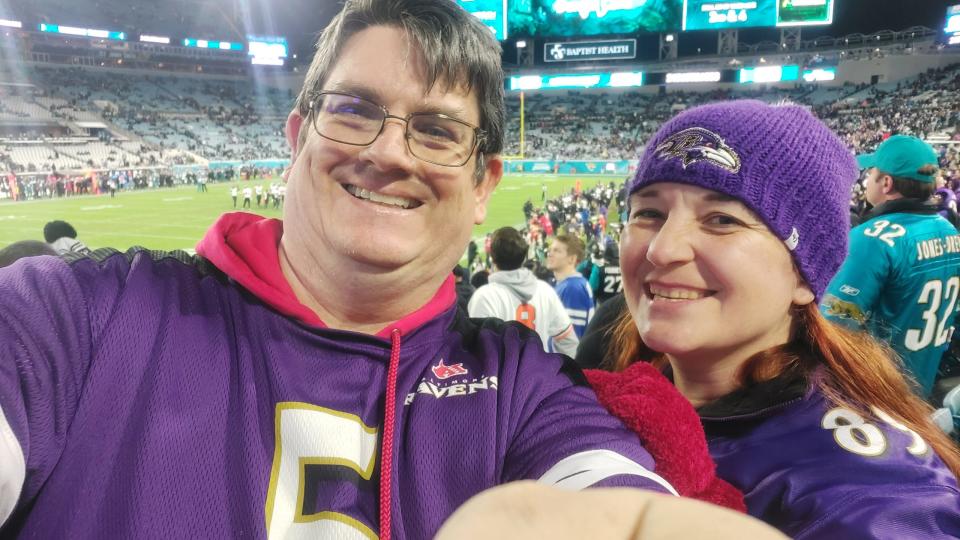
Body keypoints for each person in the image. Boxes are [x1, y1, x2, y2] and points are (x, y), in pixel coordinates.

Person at [0, 2, 757, 538]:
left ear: (484, 182)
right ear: (298, 135)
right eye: (356, 109)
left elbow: (607, 495)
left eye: (435, 130)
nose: (389, 152)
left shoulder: (530, 390)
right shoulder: (77, 316)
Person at [597, 100, 960, 539]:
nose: (661, 249)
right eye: (648, 213)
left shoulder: (863, 489)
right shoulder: (621, 380)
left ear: (805, 278)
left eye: (721, 220)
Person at [822, 135, 960, 397]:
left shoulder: (872, 238)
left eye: (871, 171)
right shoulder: (949, 230)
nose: (865, 178)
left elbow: (834, 329)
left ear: (886, 182)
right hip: (921, 387)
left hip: (874, 393)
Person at [468, 227, 580, 357]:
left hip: (504, 377)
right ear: (523, 257)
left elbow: (480, 352)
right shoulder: (545, 290)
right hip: (538, 375)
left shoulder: (484, 296)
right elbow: (568, 341)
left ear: (492, 257)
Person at [546, 234, 595, 339]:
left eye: (557, 251)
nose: (550, 254)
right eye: (550, 250)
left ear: (572, 259)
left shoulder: (573, 288)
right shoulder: (567, 285)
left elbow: (571, 342)